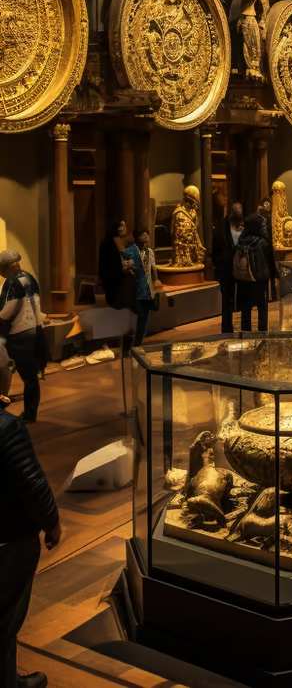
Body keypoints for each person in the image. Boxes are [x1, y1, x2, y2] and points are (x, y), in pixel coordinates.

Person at [0, 408, 61, 688]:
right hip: (8, 541)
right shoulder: (7, 426)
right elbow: (33, 484)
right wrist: (52, 521)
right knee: (5, 620)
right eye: (9, 367)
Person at [0, 251, 47, 424]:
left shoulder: (12, 282)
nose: (1, 272)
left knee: (27, 377)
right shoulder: (29, 277)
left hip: (21, 335)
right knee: (32, 377)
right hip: (36, 331)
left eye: (2, 268)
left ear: (11, 266)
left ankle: (28, 415)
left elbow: (6, 312)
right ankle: (31, 413)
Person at [233, 212, 278, 332]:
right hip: (259, 280)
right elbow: (270, 262)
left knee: (245, 309)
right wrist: (274, 275)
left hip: (243, 280)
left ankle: (246, 334)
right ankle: (262, 334)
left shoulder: (241, 240)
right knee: (262, 308)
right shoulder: (262, 243)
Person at [212, 201, 245, 333]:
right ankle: (227, 330)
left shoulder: (245, 227)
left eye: (240, 209)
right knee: (227, 301)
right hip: (226, 269)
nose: (238, 211)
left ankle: (245, 328)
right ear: (231, 211)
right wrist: (220, 262)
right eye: (235, 209)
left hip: (242, 270)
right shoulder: (221, 229)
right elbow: (216, 249)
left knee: (243, 300)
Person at [125, 230, 157, 347]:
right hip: (135, 289)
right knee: (134, 318)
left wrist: (156, 281)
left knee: (144, 317)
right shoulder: (129, 251)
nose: (146, 236)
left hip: (147, 289)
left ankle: (138, 343)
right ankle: (129, 345)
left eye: (148, 234)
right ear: (138, 236)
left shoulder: (149, 252)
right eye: (144, 233)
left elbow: (153, 269)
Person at [97, 218, 137, 312]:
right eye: (121, 226)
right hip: (112, 276)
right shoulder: (108, 243)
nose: (123, 228)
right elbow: (107, 262)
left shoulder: (125, 242)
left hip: (121, 272)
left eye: (124, 226)